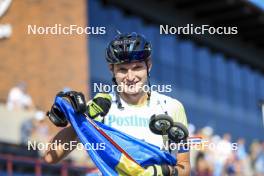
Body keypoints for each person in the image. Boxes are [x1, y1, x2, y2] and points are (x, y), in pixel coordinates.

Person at [43, 32, 190, 176]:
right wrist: (81, 118)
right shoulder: (100, 107)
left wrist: (164, 172)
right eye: (122, 70)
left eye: (137, 67)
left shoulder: (172, 107)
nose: (130, 77)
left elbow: (185, 167)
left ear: (149, 66)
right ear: (111, 69)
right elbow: (50, 157)